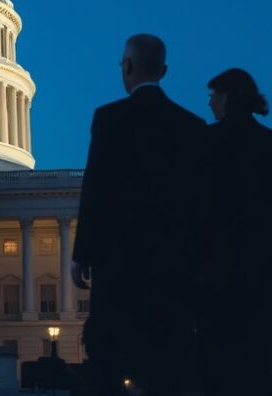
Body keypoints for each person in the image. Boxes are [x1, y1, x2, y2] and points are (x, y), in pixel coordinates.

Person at [72, 34, 207, 396]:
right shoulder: (193, 127)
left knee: (111, 370)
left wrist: (81, 254)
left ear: (127, 67)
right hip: (174, 273)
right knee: (169, 370)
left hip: (120, 271)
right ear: (163, 70)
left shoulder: (109, 118)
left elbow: (95, 190)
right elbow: (201, 205)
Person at [194, 68, 272, 396]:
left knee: (215, 373)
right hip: (262, 281)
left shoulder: (206, 142)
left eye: (213, 95)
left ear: (228, 97)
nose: (210, 103)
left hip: (215, 280)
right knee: (256, 370)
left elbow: (193, 210)